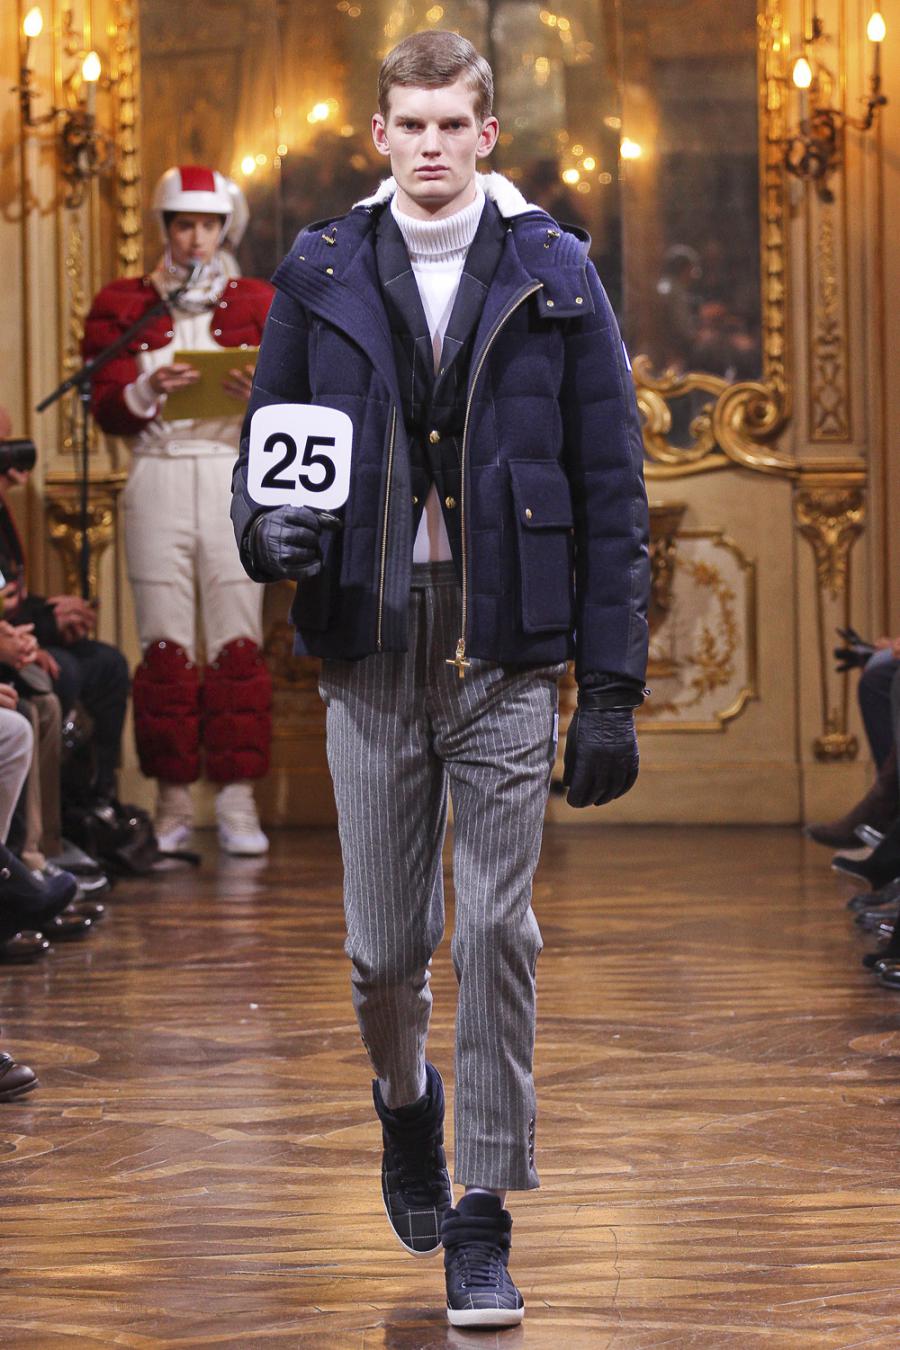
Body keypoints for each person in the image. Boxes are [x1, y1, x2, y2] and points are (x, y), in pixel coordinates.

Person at [232, 31, 649, 1329]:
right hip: (369, 639)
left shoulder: (554, 270)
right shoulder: (320, 268)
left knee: (496, 933)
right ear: (380, 136)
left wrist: (612, 688)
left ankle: (483, 1215)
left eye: (449, 124)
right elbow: (268, 449)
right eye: (407, 124)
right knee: (382, 954)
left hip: (504, 640)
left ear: (486, 135)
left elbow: (612, 489)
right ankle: (405, 1104)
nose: (428, 145)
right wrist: (265, 533)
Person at [82, 166, 275, 856]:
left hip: (229, 472)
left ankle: (237, 800)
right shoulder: (124, 302)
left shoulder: (259, 300)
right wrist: (148, 387)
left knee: (237, 642)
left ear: (227, 228)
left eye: (208, 225)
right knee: (164, 644)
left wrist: (258, 395)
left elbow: (299, 398)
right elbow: (104, 403)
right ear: (166, 227)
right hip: (157, 471)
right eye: (184, 225)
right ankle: (170, 801)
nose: (196, 239)